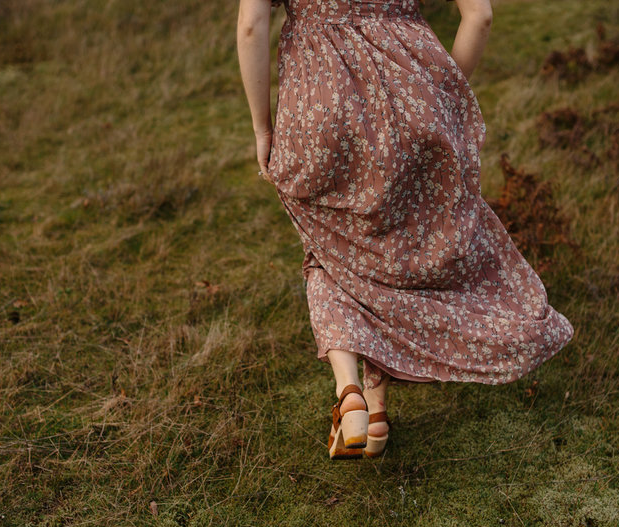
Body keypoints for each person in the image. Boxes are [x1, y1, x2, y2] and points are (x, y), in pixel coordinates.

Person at [236, 0, 574, 460]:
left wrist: (261, 127)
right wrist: (440, 98)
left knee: (330, 248)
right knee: (387, 251)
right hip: (409, 87)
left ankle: (353, 394)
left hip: (317, 98)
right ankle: (373, 411)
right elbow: (480, 16)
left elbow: (253, 25)